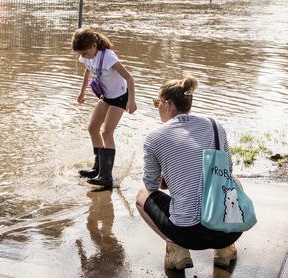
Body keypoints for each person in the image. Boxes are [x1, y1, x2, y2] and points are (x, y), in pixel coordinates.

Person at [135, 75, 241, 270]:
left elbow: (151, 186)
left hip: (188, 235)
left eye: (156, 102)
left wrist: (169, 178)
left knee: (142, 195)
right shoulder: (215, 125)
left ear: (167, 104)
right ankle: (224, 249)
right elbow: (227, 169)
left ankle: (177, 251)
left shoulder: (154, 137)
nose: (156, 107)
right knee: (233, 179)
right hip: (230, 229)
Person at [71, 27, 137, 188]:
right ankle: (97, 168)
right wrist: (82, 93)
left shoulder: (108, 57)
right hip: (106, 96)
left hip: (120, 97)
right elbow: (87, 72)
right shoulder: (86, 56)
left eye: (85, 52)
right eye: (80, 54)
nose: (82, 56)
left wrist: (132, 101)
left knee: (106, 132)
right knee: (93, 128)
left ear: (94, 45)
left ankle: (106, 177)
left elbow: (129, 78)